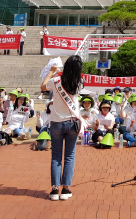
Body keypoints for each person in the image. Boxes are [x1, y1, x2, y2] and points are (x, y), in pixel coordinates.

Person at [42, 55, 84, 201]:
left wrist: (51, 72)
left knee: (56, 156)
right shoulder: (80, 83)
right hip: (72, 123)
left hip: (56, 123)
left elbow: (42, 87)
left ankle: (54, 190)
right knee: (69, 156)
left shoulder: (55, 81)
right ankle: (65, 189)